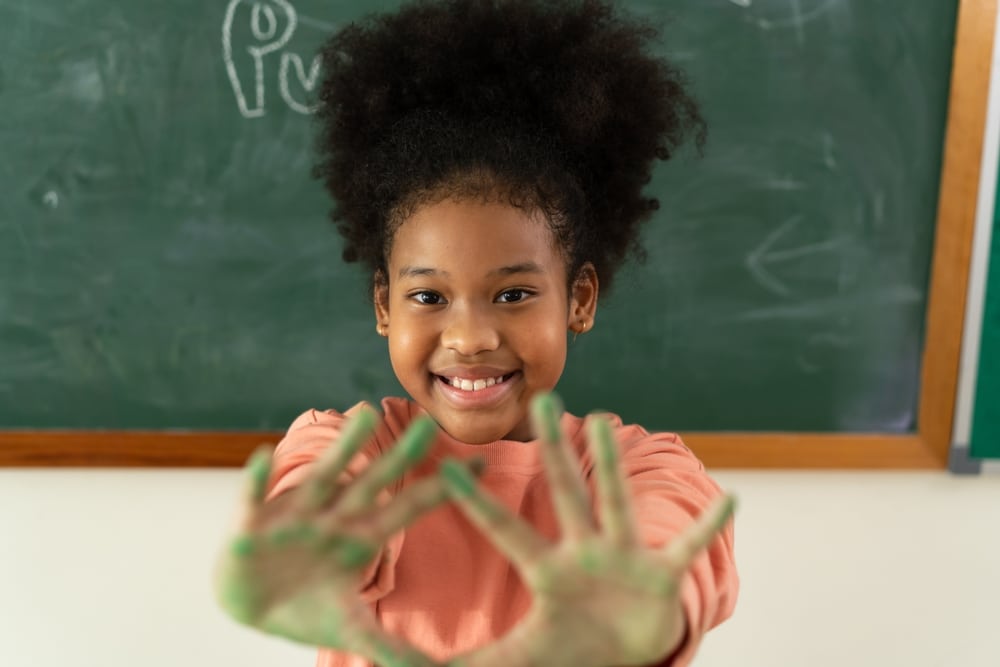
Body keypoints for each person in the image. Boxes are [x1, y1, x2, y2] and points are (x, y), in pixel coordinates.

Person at [214, 1, 739, 665]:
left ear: (578, 298)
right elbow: (318, 497)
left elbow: (674, 548)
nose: (468, 336)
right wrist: (298, 543)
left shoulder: (640, 472)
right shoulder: (357, 451)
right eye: (428, 296)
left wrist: (645, 606)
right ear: (384, 304)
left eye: (514, 294)